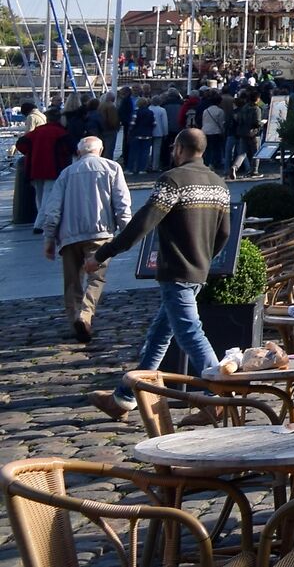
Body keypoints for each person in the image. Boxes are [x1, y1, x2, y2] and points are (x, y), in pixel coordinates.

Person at [86, 128, 231, 418]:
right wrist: (205, 258)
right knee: (159, 336)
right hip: (197, 271)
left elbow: (143, 223)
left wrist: (103, 254)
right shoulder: (219, 184)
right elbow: (225, 233)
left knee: (190, 333)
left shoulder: (172, 180)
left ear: (178, 148)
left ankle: (216, 396)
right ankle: (125, 398)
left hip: (176, 269)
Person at [42, 134, 132, 343]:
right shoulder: (112, 168)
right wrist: (127, 232)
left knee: (72, 281)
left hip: (69, 235)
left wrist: (49, 238)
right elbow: (122, 204)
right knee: (96, 278)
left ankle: (75, 318)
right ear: (100, 150)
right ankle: (86, 313)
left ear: (79, 152)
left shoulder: (67, 173)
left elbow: (53, 209)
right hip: (100, 233)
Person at [14, 109, 69, 230]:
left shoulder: (37, 132)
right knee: (48, 196)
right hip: (53, 168)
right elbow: (67, 149)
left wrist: (29, 153)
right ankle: (40, 224)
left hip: (34, 168)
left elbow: (21, 144)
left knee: (39, 197)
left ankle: (41, 221)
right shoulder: (61, 133)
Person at [199, 93, 228, 172]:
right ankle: (214, 164)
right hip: (216, 131)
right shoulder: (220, 111)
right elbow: (221, 123)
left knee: (207, 149)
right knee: (216, 149)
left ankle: (207, 163)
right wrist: (223, 131)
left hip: (205, 131)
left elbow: (203, 121)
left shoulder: (206, 110)